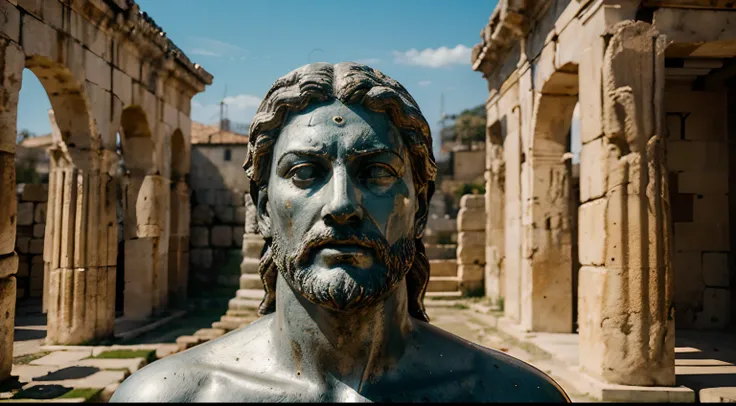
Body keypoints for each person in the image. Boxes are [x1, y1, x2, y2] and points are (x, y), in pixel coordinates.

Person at [110, 62, 570, 403]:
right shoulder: (168, 398)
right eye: (306, 172)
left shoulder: (516, 397)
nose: (343, 205)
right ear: (263, 207)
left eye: (378, 173)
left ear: (422, 207)